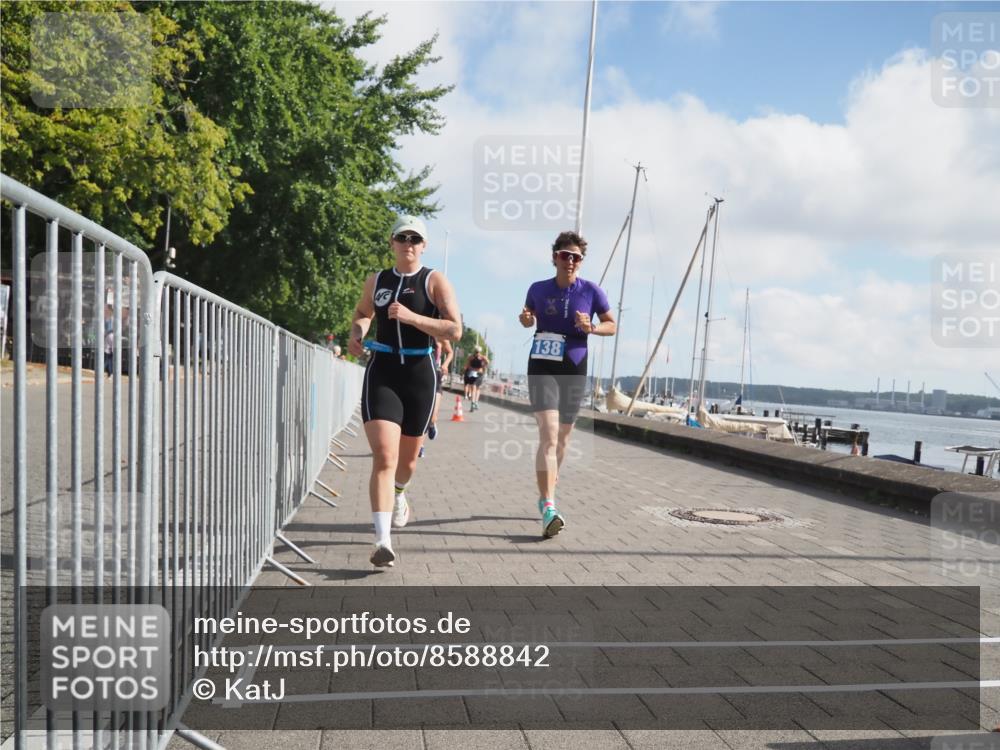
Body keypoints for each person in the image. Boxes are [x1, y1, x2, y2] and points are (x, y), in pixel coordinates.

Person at [348, 216, 462, 568]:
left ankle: (400, 494)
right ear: (392, 242)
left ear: (423, 245)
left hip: (419, 373)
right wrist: (357, 331)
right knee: (384, 457)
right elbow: (364, 312)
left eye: (415, 238)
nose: (408, 243)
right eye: (402, 237)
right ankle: (382, 540)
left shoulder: (434, 280)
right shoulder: (377, 280)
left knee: (407, 462)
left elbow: (454, 328)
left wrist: (412, 318)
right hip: (383, 370)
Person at [518, 230, 615, 538]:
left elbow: (612, 325)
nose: (570, 261)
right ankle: (548, 506)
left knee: (562, 439)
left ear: (581, 262)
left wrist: (593, 328)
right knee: (547, 435)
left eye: (576, 257)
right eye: (565, 255)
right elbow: (528, 314)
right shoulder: (537, 288)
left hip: (574, 365)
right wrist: (526, 319)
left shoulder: (591, 291)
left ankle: (549, 483)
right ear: (554, 257)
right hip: (542, 364)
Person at [463, 345, 489, 411]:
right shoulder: (471, 357)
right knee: (474, 387)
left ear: (480, 352)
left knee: (477, 388)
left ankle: (475, 402)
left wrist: (484, 365)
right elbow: (467, 365)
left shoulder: (482, 358)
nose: (477, 353)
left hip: (480, 374)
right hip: (473, 374)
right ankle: (473, 403)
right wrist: (472, 368)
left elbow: (487, 363)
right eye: (476, 352)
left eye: (478, 352)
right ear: (475, 351)